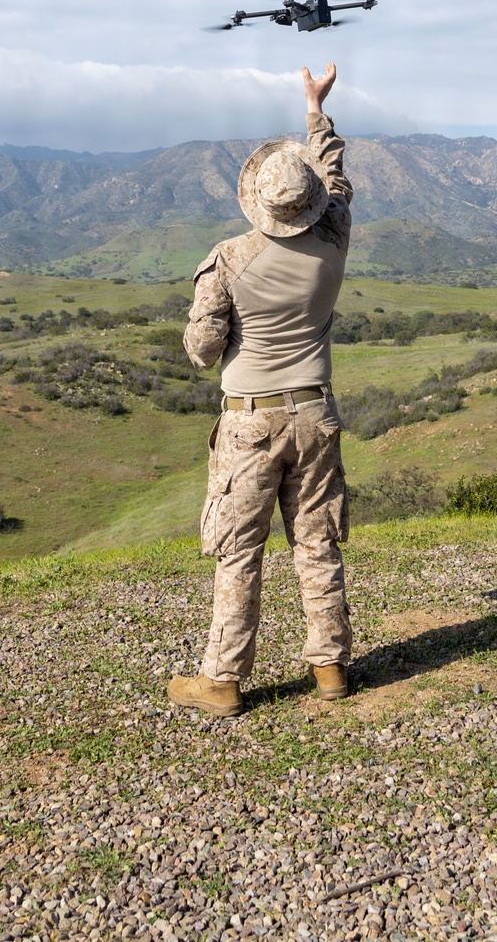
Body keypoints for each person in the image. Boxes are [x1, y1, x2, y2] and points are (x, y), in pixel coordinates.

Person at [167, 62, 353, 717]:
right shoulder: (335, 238)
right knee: (316, 541)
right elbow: (335, 180)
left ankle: (222, 681)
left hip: (250, 423)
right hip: (315, 414)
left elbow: (202, 351)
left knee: (239, 551)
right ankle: (330, 669)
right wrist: (315, 110)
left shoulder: (228, 260)